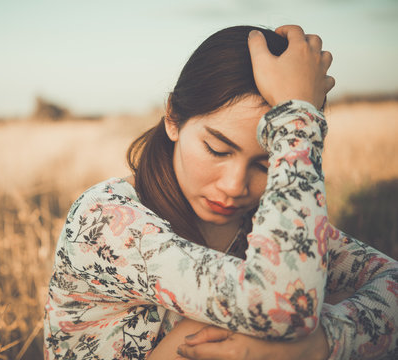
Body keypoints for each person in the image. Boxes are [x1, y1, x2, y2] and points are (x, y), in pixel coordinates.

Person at [43, 25, 398, 360]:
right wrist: (297, 121)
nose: (233, 186)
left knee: (312, 287)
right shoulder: (106, 218)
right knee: (229, 326)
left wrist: (323, 343)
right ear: (172, 118)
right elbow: (282, 308)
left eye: (267, 165)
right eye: (217, 149)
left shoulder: (259, 220)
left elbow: (391, 281)